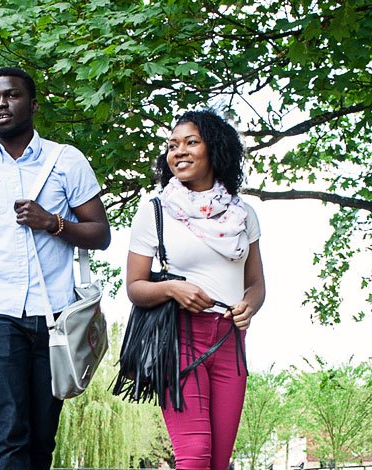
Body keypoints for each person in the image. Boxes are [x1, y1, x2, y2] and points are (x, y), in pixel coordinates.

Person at [0, 67, 111, 470]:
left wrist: (53, 222)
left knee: (42, 440)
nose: (0, 104)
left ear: (32, 104)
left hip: (55, 318)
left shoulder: (67, 161)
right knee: (10, 436)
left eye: (11, 96)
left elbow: (101, 234)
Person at [126, 109, 265, 470]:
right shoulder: (156, 211)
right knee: (195, 455)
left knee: (218, 462)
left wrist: (249, 305)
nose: (179, 152)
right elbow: (135, 287)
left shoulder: (243, 214)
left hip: (230, 341)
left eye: (191, 142)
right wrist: (174, 288)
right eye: (172, 145)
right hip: (179, 337)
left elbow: (256, 284)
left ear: (214, 150)